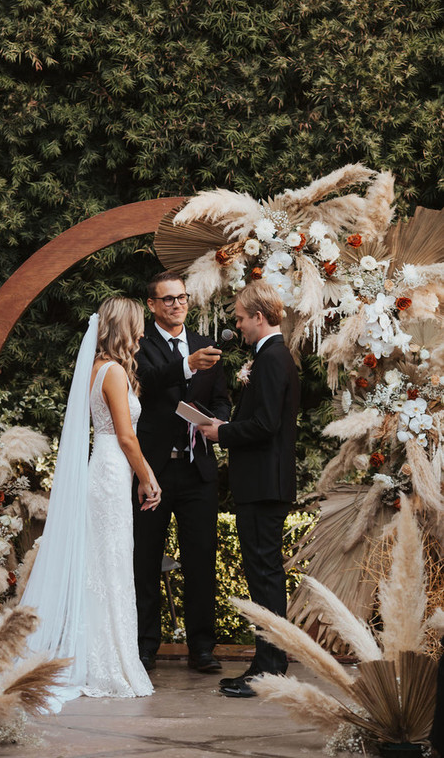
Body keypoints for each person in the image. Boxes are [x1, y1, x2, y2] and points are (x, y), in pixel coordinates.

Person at [21, 297, 161, 707]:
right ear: (124, 328)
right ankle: (105, 662)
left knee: (102, 563)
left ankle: (96, 653)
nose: (141, 333)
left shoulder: (96, 368)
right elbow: (125, 436)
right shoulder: (113, 371)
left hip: (105, 469)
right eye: (137, 326)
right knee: (110, 562)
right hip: (112, 469)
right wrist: (148, 477)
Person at [199, 280, 300, 698]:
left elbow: (266, 425)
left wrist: (221, 432)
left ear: (259, 317)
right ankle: (265, 662)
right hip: (261, 484)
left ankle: (271, 668)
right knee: (262, 576)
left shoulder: (274, 359)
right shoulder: (270, 356)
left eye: (240, 318)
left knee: (265, 576)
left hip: (264, 485)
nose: (237, 326)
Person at [134, 271, 231, 673]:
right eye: (168, 299)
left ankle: (202, 649)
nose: (177, 304)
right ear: (152, 305)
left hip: (197, 471)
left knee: (201, 560)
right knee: (145, 561)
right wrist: (186, 366)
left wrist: (215, 424)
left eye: (182, 298)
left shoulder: (205, 345)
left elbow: (223, 401)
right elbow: (146, 383)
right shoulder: (140, 345)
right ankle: (145, 648)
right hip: (153, 472)